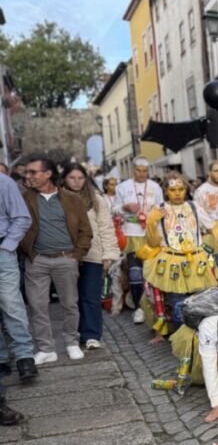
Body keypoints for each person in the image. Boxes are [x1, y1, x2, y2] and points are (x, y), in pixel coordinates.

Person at [19, 154, 93, 363]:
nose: (28, 176)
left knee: (70, 304)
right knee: (37, 305)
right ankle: (46, 348)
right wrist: (28, 253)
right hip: (37, 260)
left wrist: (76, 256)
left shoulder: (72, 199)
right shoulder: (25, 198)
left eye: (33, 172)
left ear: (48, 174)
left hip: (65, 259)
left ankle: (71, 342)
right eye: (27, 172)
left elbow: (85, 231)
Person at [141, 172, 218, 339]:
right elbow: (153, 242)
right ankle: (181, 338)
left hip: (196, 261)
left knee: (200, 300)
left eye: (181, 189)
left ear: (186, 189)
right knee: (177, 301)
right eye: (172, 189)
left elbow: (212, 226)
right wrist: (151, 223)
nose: (177, 193)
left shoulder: (194, 207)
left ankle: (201, 336)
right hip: (172, 261)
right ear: (165, 190)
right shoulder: (159, 209)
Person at [62, 163, 118, 350]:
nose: (76, 182)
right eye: (72, 178)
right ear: (65, 179)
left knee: (91, 296)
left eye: (80, 178)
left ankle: (92, 334)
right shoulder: (58, 198)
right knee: (71, 298)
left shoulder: (96, 199)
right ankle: (75, 333)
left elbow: (105, 227)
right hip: (66, 254)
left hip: (93, 254)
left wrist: (108, 254)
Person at [113, 157, 164, 324]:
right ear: (133, 170)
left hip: (151, 234)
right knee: (135, 273)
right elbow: (114, 210)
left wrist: (154, 213)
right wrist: (124, 208)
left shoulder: (155, 187)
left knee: (152, 272)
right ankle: (138, 308)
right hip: (132, 233)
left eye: (144, 171)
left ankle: (156, 307)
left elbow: (163, 209)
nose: (141, 174)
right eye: (138, 170)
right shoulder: (123, 187)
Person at [0, 169, 37, 383]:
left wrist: (6, 247)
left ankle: (24, 357)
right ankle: (2, 358)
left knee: (11, 304)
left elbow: (22, 218)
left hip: (2, 249)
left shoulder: (4, 183)